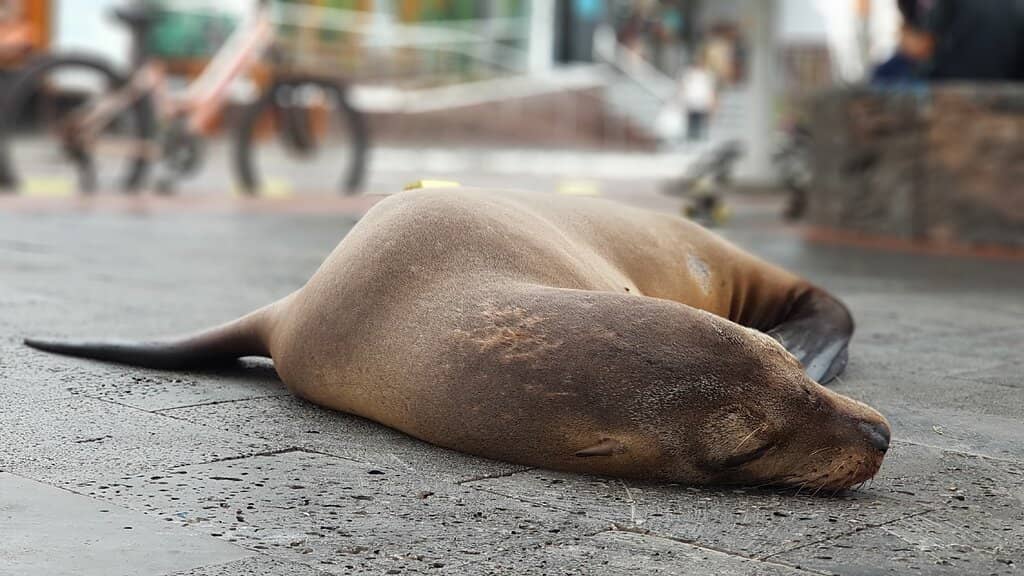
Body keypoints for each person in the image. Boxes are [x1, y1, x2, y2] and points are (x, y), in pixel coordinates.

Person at [679, 53, 716, 142]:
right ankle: (691, 141)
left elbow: (710, 90)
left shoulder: (708, 74)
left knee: (702, 125)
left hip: (702, 103)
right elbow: (683, 87)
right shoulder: (688, 73)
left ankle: (700, 141)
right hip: (691, 103)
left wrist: (712, 103)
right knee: (691, 125)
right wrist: (682, 100)